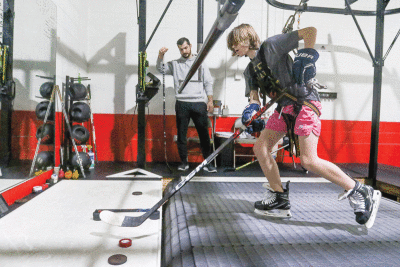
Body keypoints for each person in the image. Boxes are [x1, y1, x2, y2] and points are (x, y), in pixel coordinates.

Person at [227, 24, 381, 228]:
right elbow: (254, 99)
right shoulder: (249, 70)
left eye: (235, 43)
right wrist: (250, 112)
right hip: (284, 108)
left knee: (308, 160)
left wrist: (306, 56)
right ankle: (279, 197)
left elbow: (310, 31)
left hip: (304, 101)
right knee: (260, 147)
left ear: (246, 38)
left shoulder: (272, 45)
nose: (233, 48)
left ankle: (360, 191)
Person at [157, 37, 217, 173]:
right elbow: (161, 69)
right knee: (181, 135)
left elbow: (208, 82)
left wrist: (210, 100)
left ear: (190, 46)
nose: (184, 51)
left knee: (204, 135)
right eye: (181, 49)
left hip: (198, 103)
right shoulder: (175, 64)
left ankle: (208, 163)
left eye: (185, 48)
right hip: (182, 103)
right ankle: (184, 163)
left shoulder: (200, 63)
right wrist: (161, 56)